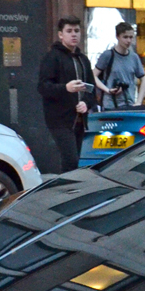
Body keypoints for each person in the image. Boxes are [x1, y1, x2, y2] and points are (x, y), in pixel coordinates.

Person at [38, 16, 98, 173]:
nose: (74, 35)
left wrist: (86, 103)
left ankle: (69, 190)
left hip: (79, 120)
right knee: (70, 160)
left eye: (77, 31)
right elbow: (43, 87)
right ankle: (65, 191)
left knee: (75, 160)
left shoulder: (83, 59)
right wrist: (66, 88)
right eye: (69, 31)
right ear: (60, 34)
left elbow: (91, 89)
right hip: (60, 120)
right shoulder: (52, 57)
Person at [94, 22, 145, 108]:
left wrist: (139, 102)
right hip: (110, 105)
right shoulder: (108, 55)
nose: (128, 41)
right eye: (125, 37)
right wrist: (107, 90)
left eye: (131, 37)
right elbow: (93, 75)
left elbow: (144, 79)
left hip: (129, 104)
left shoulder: (134, 57)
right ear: (117, 37)